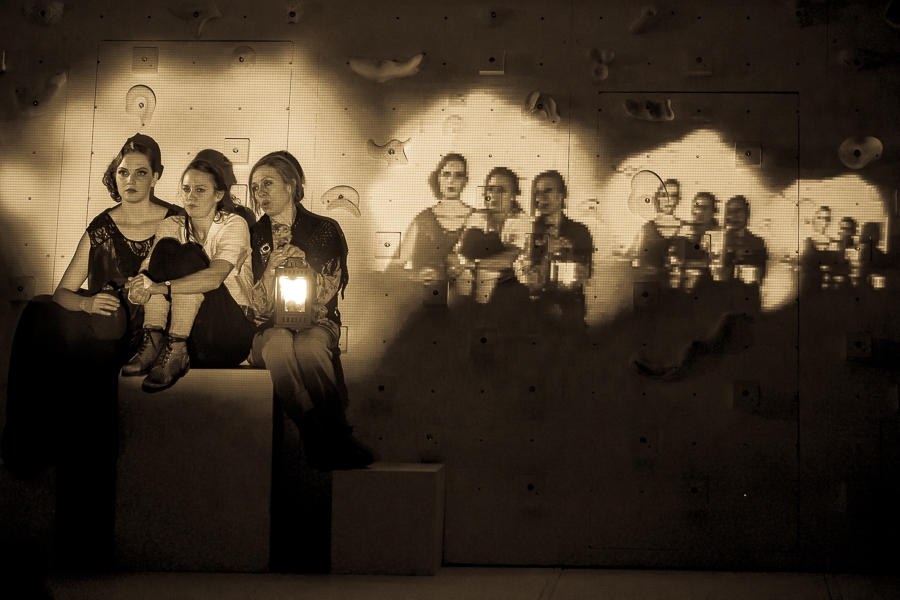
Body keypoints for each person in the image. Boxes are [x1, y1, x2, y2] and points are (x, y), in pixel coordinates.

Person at [2, 133, 178, 568]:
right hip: (104, 324)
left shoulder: (175, 221)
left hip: (148, 332)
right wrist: (87, 303)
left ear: (156, 176)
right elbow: (64, 291)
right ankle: (27, 436)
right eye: (123, 172)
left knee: (88, 363)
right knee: (40, 312)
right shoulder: (102, 225)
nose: (130, 180)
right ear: (114, 177)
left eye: (140, 173)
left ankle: (85, 526)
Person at [244, 151, 373, 471]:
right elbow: (255, 305)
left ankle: (336, 433)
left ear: (291, 185)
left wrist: (302, 264)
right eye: (255, 187)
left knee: (309, 346)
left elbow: (328, 292)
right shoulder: (253, 235)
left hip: (317, 323)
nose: (260, 193)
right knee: (278, 343)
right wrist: (270, 271)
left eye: (268, 183)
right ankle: (314, 431)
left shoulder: (324, 229)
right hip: (269, 329)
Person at [121, 152, 256, 392]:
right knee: (167, 247)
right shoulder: (171, 225)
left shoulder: (234, 224)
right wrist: (137, 289)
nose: (190, 196)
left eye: (200, 190)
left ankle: (176, 348)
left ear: (218, 195)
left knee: (190, 255)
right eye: (186, 189)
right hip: (188, 333)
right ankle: (154, 339)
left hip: (227, 336)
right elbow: (148, 271)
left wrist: (159, 288)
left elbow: (214, 278)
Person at [515, 170, 593, 323]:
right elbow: (523, 275)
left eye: (548, 191)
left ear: (561, 195)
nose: (541, 198)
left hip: (569, 310)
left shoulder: (579, 231)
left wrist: (567, 255)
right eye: (537, 193)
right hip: (533, 309)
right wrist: (546, 253)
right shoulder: (527, 229)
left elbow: (586, 273)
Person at [449, 167, 527, 302]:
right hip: (471, 280)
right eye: (490, 189)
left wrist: (474, 265)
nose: (494, 195)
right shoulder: (477, 217)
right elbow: (458, 250)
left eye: (501, 190)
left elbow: (511, 258)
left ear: (513, 195)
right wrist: (456, 264)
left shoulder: (521, 221)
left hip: (507, 286)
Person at [391, 153, 472, 281]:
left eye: (458, 175)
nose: (451, 180)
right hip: (427, 292)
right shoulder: (423, 220)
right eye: (446, 174)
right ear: (438, 178)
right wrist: (417, 275)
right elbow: (392, 269)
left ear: (465, 181)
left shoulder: (478, 219)